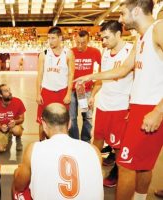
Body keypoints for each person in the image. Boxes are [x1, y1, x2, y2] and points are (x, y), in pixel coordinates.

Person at [75, 0, 163, 199]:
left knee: (124, 164)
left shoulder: (159, 28)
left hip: (151, 108)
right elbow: (123, 69)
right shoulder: (142, 38)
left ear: (137, 11)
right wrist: (91, 76)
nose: (121, 19)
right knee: (143, 164)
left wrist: (158, 111)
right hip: (139, 107)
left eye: (123, 14)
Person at [13, 103, 103, 200]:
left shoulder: (33, 149)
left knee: (18, 179)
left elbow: (19, 186)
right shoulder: (94, 150)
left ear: (44, 125)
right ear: (69, 124)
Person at [91, 20, 134, 188]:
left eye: (106, 38)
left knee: (118, 146)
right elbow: (102, 77)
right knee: (98, 139)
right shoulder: (106, 52)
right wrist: (93, 95)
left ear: (118, 34)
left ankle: (117, 170)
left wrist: (132, 106)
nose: (103, 42)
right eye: (102, 38)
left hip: (120, 107)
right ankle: (93, 170)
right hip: (103, 105)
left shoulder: (131, 51)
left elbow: (137, 80)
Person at [36, 26, 75, 141]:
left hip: (62, 92)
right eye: (49, 38)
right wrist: (38, 93)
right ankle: (41, 143)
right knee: (42, 121)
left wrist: (68, 94)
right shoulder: (44, 54)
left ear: (60, 38)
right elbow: (39, 75)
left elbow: (71, 75)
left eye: (53, 38)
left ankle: (62, 144)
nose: (50, 41)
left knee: (63, 121)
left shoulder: (68, 53)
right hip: (47, 91)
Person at [69, 30, 101, 142]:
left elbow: (100, 73)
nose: (79, 46)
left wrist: (93, 94)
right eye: (77, 42)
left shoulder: (95, 52)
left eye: (83, 43)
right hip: (72, 90)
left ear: (88, 41)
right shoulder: (70, 52)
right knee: (72, 118)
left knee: (87, 117)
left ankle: (85, 141)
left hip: (85, 91)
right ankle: (74, 141)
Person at [0, 84, 26, 153]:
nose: (9, 92)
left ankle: (18, 138)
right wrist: (0, 127)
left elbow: (22, 119)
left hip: (14, 126)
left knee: (17, 130)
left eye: (9, 90)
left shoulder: (18, 101)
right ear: (0, 95)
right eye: (6, 91)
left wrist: (15, 122)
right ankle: (7, 136)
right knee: (0, 149)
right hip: (2, 129)